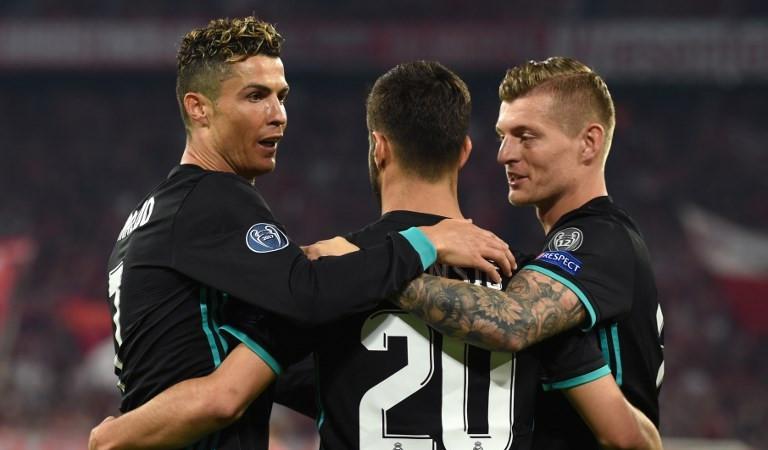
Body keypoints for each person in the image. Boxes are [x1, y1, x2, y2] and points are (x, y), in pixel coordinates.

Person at [91, 60, 661, 450]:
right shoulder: (525, 277)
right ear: (464, 152)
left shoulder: (329, 274)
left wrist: (113, 434)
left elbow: (224, 395)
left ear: (378, 147)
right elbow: (626, 434)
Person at [90, 17, 515, 450]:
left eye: (281, 96)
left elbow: (253, 351)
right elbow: (306, 294)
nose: (277, 116)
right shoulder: (214, 197)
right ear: (199, 108)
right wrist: (426, 241)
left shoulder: (155, 214)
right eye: (255, 96)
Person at [391, 57, 664, 450]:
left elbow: (514, 322)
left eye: (526, 136)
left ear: (589, 142)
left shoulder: (601, 237)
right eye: (503, 135)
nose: (504, 154)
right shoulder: (572, 245)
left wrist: (378, 271)